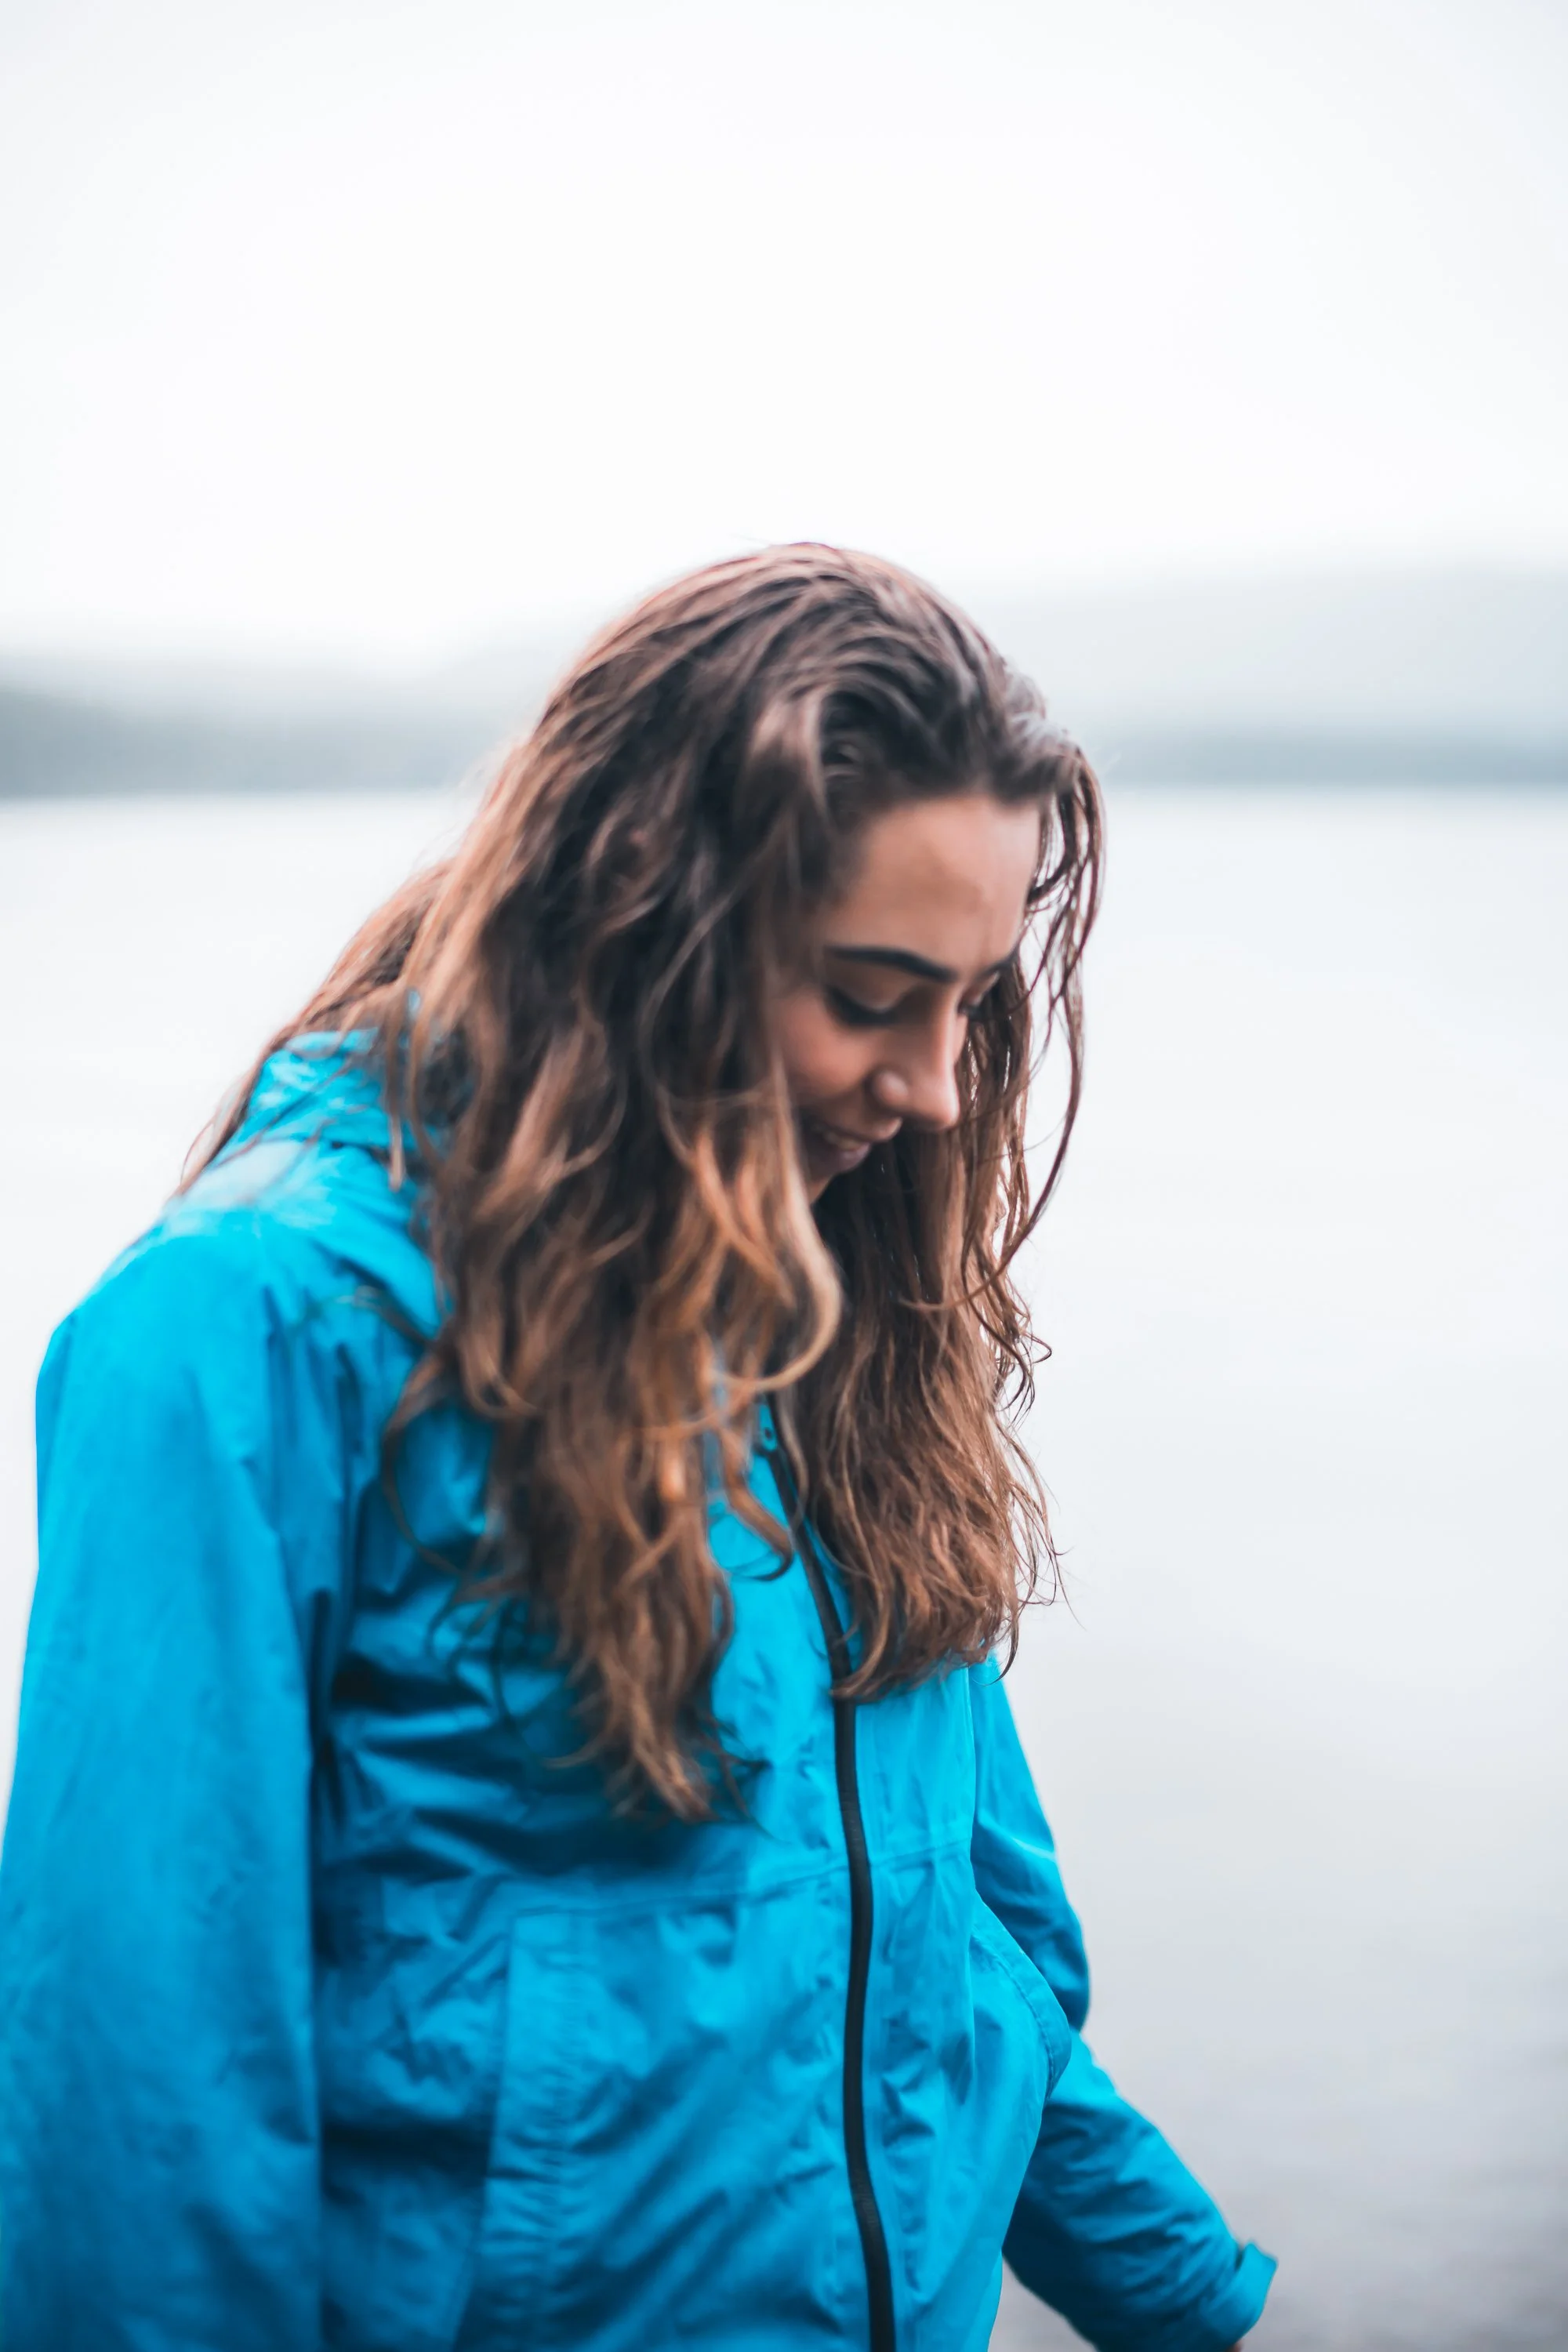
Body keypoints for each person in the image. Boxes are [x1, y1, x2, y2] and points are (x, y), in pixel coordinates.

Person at [0, 546, 1274, 2350]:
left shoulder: (835, 1333)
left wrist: (1203, 2310)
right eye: (868, 992)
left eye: (973, 1003)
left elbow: (952, 1981)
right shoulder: (254, 1329)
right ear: (642, 918)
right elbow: (140, 2117)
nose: (936, 1085)